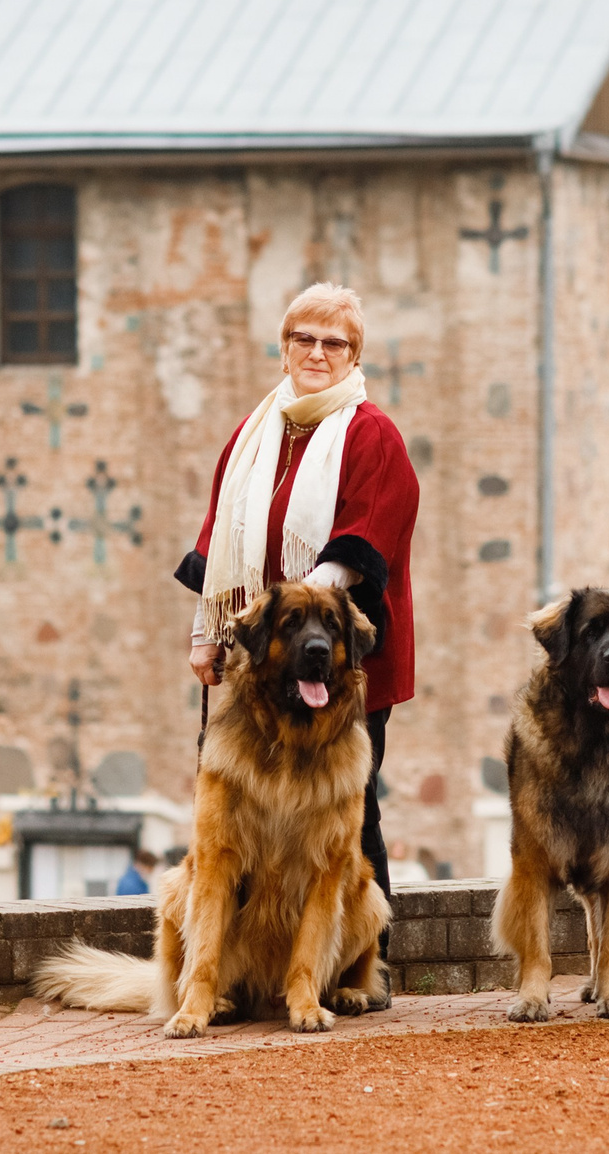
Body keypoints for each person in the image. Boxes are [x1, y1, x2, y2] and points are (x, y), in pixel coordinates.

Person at [176, 281, 419, 998]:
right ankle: (228, 971)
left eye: (333, 343)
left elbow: (365, 538)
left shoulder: (372, 433)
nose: (317, 354)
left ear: (354, 355)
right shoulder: (255, 431)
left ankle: (359, 968)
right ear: (284, 348)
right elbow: (219, 540)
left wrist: (294, 610)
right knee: (232, 818)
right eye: (304, 340)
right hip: (257, 659)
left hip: (338, 654)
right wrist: (207, 637)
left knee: (347, 811)